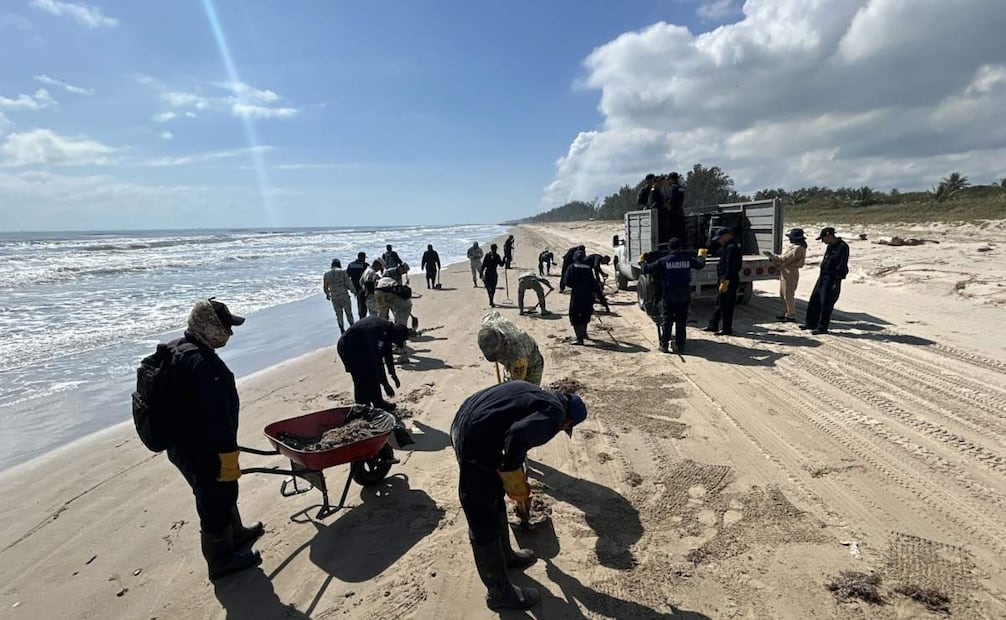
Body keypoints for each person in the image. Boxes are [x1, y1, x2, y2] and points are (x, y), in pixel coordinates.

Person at [450, 381, 588, 611]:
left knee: (494, 495)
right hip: (476, 439)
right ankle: (499, 592)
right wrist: (512, 469)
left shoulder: (540, 394)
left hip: (468, 423)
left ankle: (506, 556)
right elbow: (517, 435)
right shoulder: (554, 414)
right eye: (566, 427)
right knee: (481, 511)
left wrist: (506, 468)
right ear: (568, 421)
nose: (562, 428)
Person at [165, 299, 263, 581]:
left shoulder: (179, 348)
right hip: (202, 447)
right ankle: (220, 560)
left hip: (182, 443)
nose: (229, 334)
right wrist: (227, 455)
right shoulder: (204, 364)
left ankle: (236, 534)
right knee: (214, 498)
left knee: (223, 492)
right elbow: (219, 417)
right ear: (208, 326)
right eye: (225, 327)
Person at [640, 238, 705, 353]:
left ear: (669, 248)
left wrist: (642, 261)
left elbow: (646, 269)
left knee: (667, 319)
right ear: (680, 248)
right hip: (684, 294)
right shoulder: (687, 259)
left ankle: (664, 345)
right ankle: (680, 346)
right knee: (681, 321)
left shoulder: (663, 261)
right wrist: (701, 256)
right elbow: (700, 265)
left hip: (669, 295)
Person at [337, 316, 408, 411]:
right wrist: (385, 384)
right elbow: (377, 361)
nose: (394, 343)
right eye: (396, 341)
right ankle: (362, 407)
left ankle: (378, 403)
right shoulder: (377, 331)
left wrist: (393, 374)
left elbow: (388, 354)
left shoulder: (387, 331)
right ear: (395, 335)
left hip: (361, 348)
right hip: (348, 348)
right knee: (361, 379)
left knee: (372, 374)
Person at [801, 227, 849, 335]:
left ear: (829, 236)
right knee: (815, 299)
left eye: (823, 238)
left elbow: (842, 265)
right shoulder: (830, 246)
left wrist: (837, 282)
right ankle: (811, 323)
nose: (823, 241)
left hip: (832, 278)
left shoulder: (842, 247)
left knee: (826, 303)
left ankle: (822, 327)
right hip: (823, 276)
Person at [479, 311, 545, 385]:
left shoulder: (517, 356)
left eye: (498, 356)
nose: (498, 359)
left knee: (527, 392)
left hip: (533, 364)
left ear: (504, 345)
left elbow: (514, 386)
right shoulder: (488, 323)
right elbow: (493, 314)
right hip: (513, 356)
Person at [704, 227, 742, 336]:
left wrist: (725, 280)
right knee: (720, 303)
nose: (719, 241)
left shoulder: (732, 247)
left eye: (720, 238)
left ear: (726, 235)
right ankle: (713, 324)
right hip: (725, 279)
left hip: (728, 280)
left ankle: (726, 329)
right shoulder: (727, 246)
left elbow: (731, 266)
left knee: (726, 305)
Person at [562, 251, 605, 345]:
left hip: (577, 294)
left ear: (575, 258)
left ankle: (579, 339)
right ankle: (584, 334)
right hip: (588, 294)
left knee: (574, 315)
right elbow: (593, 282)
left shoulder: (572, 267)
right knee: (585, 314)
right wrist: (600, 298)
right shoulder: (588, 268)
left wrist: (575, 285)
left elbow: (566, 281)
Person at [766, 229, 807, 322]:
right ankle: (785, 312)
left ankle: (791, 315)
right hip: (786, 271)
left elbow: (784, 259)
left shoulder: (798, 249)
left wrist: (773, 257)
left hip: (790, 272)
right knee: (783, 293)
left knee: (788, 295)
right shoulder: (796, 247)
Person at [323, 259, 357, 333]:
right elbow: (348, 283)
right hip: (343, 294)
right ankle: (352, 328)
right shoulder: (342, 272)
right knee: (348, 312)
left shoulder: (326, 274)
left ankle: (342, 329)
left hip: (334, 296)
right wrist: (354, 291)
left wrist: (327, 294)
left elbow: (325, 286)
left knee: (339, 314)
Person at [479, 243, 505, 307]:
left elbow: (483, 265)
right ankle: (491, 300)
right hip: (493, 273)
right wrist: (504, 259)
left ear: (491, 248)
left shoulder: (487, 255)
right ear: (496, 249)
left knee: (488, 287)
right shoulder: (497, 256)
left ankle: (490, 300)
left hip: (487, 273)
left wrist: (481, 273)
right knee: (493, 288)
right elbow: (501, 264)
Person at [346, 252, 370, 320]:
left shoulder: (351, 265)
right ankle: (363, 317)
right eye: (364, 258)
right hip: (363, 286)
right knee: (364, 302)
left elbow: (347, 276)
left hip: (355, 286)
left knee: (359, 301)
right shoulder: (365, 265)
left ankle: (361, 316)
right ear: (362, 257)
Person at [665, 172, 686, 242]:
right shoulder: (681, 188)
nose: (668, 181)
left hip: (673, 214)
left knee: (673, 234)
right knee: (681, 233)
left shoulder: (673, 188)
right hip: (680, 212)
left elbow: (671, 201)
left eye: (669, 179)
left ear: (672, 179)